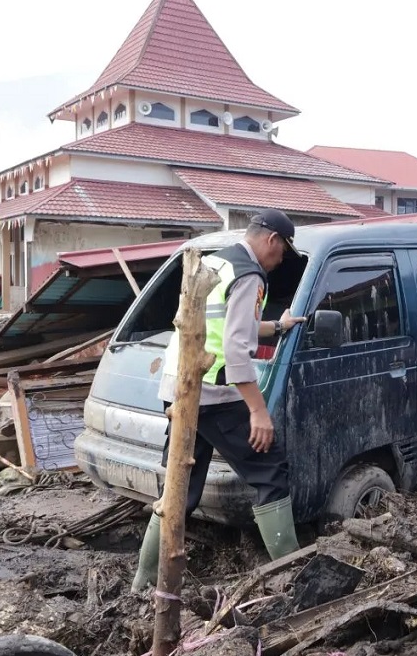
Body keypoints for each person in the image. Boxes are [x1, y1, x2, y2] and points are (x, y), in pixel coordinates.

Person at [132, 210, 308, 591]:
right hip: (215, 391)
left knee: (181, 488)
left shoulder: (216, 263)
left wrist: (278, 326)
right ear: (273, 240)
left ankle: (145, 582)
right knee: (270, 471)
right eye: (282, 254)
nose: (280, 262)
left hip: (181, 389)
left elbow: (227, 323)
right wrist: (258, 410)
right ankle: (293, 574)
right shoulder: (250, 274)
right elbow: (236, 346)